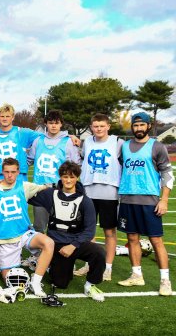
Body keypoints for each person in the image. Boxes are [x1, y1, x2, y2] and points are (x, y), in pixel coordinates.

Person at [28, 161, 106, 301]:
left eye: (72, 177)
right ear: (60, 178)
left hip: (75, 244)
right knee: (60, 283)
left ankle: (90, 285)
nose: (68, 180)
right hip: (56, 245)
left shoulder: (85, 201)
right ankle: (53, 264)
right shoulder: (50, 194)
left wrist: (73, 246)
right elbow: (26, 194)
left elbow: (89, 231)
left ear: (77, 178)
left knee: (99, 252)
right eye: (65, 177)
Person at [116, 112, 172, 296]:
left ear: (148, 126)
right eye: (135, 125)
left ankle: (165, 280)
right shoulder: (124, 146)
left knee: (156, 240)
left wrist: (164, 200)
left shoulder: (157, 146)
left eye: (142, 125)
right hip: (127, 199)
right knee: (132, 239)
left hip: (149, 201)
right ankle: (136, 275)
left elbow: (167, 174)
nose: (138, 128)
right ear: (132, 127)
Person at [0, 158, 54, 298]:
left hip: (25, 233)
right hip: (5, 239)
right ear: (2, 172)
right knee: (12, 284)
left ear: (18, 172)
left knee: (48, 243)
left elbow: (45, 186)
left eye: (13, 172)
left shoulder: (24, 186)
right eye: (6, 172)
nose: (10, 175)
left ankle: (36, 281)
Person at [75, 113, 124, 281]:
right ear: (91, 127)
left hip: (109, 192)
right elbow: (81, 160)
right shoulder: (87, 142)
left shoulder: (118, 142)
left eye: (102, 126)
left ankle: (107, 268)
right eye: (95, 126)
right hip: (89, 191)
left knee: (109, 231)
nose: (99, 129)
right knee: (88, 231)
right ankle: (90, 264)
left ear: (108, 126)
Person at [27, 110, 81, 232]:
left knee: (59, 226)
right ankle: (37, 251)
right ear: (46, 124)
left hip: (60, 189)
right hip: (40, 189)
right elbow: (29, 160)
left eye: (56, 123)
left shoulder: (68, 141)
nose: (53, 126)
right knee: (39, 226)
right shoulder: (38, 140)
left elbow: (77, 165)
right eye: (51, 123)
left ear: (61, 124)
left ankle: (57, 251)